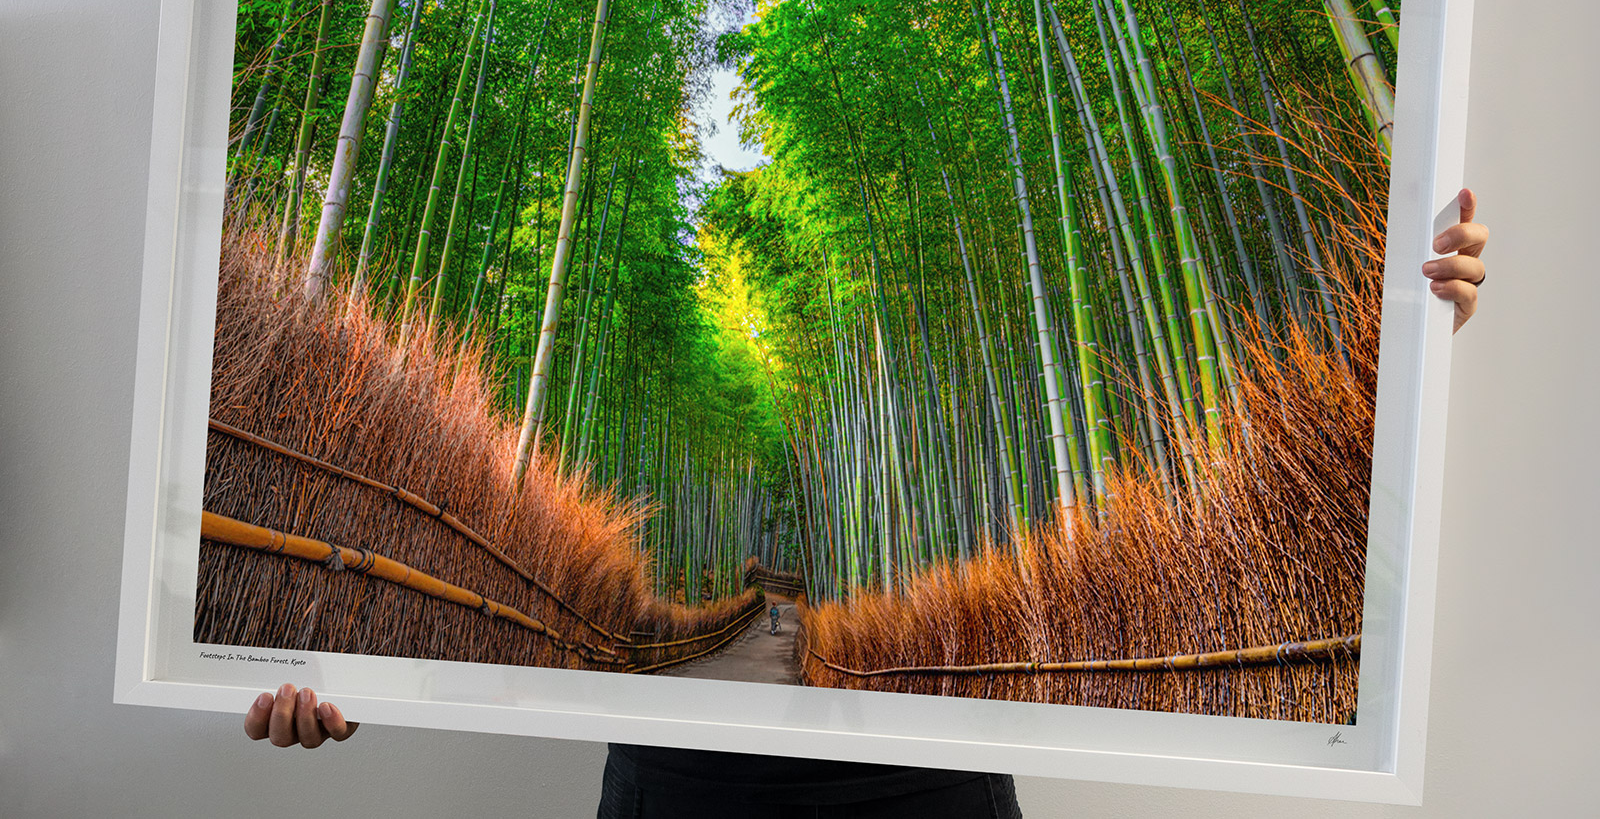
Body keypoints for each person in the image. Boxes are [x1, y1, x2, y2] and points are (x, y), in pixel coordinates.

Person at [245, 189, 1489, 817]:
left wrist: (1429, 324)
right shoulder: (690, 628)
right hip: (681, 778)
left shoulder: (915, 566)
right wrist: (359, 669)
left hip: (931, 756)